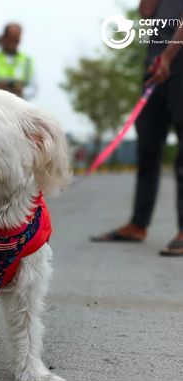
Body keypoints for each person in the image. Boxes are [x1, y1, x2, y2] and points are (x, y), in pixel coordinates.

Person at [92, 0, 183, 256]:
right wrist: (161, 59)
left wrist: (168, 56)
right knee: (148, 148)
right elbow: (145, 13)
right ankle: (138, 225)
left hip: (178, 68)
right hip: (155, 70)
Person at [0, 23, 37, 100]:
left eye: (16, 41)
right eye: (11, 40)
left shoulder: (27, 61)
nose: (13, 44)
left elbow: (34, 88)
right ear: (3, 38)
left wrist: (22, 90)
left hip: (18, 108)